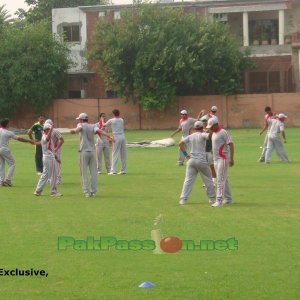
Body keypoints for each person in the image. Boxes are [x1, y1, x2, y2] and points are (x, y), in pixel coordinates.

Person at [70, 113, 113, 197]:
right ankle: (93, 191)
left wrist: (73, 130)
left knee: (84, 172)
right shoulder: (93, 125)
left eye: (79, 119)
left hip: (84, 152)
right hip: (92, 151)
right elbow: (99, 131)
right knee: (93, 172)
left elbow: (78, 129)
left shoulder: (80, 124)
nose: (78, 120)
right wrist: (109, 136)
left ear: (82, 120)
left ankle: (86, 191)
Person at [179, 121, 216, 205]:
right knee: (208, 180)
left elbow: (180, 144)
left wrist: (186, 156)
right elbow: (210, 136)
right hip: (201, 161)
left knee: (188, 181)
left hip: (191, 161)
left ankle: (183, 199)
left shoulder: (190, 136)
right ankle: (212, 199)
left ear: (194, 128)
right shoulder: (202, 135)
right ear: (202, 127)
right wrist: (210, 129)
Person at [206, 117, 234, 207]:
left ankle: (219, 201)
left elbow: (231, 144)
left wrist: (231, 158)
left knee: (220, 180)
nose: (210, 128)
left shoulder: (223, 132)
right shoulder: (213, 133)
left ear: (216, 124)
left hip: (223, 159)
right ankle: (228, 198)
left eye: (211, 126)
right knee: (223, 179)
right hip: (216, 159)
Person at [0, 118, 35, 186]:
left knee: (1, 165)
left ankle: (1, 181)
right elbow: (19, 139)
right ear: (7, 124)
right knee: (12, 164)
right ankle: (8, 180)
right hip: (4, 149)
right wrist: (29, 141)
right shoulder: (8, 132)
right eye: (8, 123)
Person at [33, 123, 62, 196]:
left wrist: (56, 158)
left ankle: (38, 190)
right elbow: (47, 139)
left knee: (45, 175)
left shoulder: (48, 137)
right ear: (46, 130)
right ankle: (53, 192)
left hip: (48, 157)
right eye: (49, 129)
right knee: (53, 175)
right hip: (49, 158)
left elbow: (51, 149)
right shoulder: (44, 137)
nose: (51, 131)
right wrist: (51, 129)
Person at [104, 109, 126, 175]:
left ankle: (113, 170)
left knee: (115, 154)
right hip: (122, 136)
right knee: (123, 154)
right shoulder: (122, 119)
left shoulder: (111, 120)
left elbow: (104, 125)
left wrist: (102, 119)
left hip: (116, 137)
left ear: (113, 114)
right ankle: (123, 170)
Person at [44, 119, 64, 184]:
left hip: (56, 149)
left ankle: (58, 179)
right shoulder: (44, 132)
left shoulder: (55, 131)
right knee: (49, 164)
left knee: (56, 164)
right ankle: (50, 178)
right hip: (48, 150)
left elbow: (62, 140)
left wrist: (56, 148)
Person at [200, 115, 216, 186]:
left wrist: (213, 149)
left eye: (205, 121)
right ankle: (206, 181)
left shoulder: (211, 131)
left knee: (212, 166)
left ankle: (214, 181)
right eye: (203, 122)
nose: (204, 123)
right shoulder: (200, 131)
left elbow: (214, 140)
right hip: (202, 152)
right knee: (204, 167)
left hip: (209, 151)